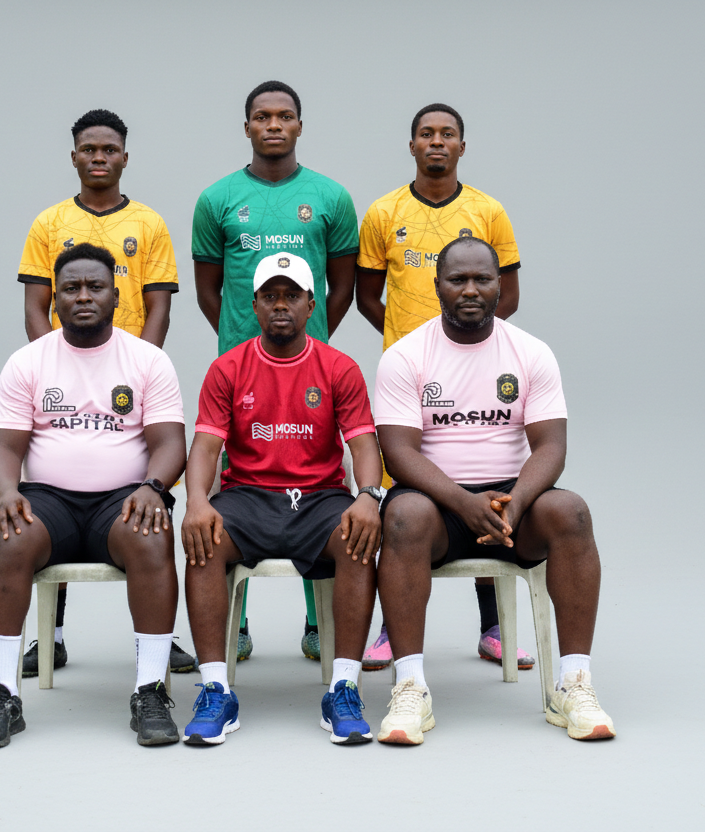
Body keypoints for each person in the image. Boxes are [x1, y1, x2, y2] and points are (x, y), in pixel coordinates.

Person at [372, 236, 615, 744]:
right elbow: (398, 454)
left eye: (482, 279)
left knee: (571, 512)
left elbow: (551, 447)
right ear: (437, 285)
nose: (470, 290)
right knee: (402, 517)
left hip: (511, 500)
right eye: (457, 279)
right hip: (438, 503)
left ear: (500, 286)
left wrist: (516, 502)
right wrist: (463, 503)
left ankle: (573, 683)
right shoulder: (405, 355)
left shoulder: (531, 352)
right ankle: (410, 687)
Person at [0, 243, 187, 749]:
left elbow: (170, 443)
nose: (83, 296)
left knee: (152, 533)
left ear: (116, 296)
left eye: (95, 287)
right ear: (55, 299)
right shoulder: (27, 362)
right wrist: (6, 491)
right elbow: (3, 447)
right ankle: (3, 693)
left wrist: (154, 487)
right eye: (70, 288)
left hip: (124, 499)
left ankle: (150, 691)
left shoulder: (148, 360)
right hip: (49, 502)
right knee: (7, 535)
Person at [14, 108, 193, 675]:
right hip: (66, 375)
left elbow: (159, 305)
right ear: (73, 157)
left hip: (129, 383)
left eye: (109, 149)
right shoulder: (48, 223)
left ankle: (159, 640)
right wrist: (60, 366)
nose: (99, 157)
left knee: (143, 506)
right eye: (88, 149)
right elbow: (35, 307)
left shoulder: (149, 223)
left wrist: (140, 367)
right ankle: (52, 636)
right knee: (56, 493)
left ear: (124, 157)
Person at [180, 252, 384, 745]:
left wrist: (368, 496)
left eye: (291, 295)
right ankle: (216, 690)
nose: (280, 305)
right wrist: (196, 501)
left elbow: (363, 445)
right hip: (248, 496)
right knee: (204, 540)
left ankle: (343, 688)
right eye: (269, 296)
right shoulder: (228, 368)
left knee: (358, 537)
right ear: (253, 305)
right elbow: (205, 447)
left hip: (319, 498)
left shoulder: (339, 367)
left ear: (311, 305)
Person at [355, 103, 531, 672]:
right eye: (426, 134)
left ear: (462, 145)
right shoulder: (384, 212)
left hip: (477, 371)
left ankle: (493, 627)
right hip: (411, 380)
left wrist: (469, 345)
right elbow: (366, 296)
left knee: (488, 487)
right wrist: (412, 347)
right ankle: (392, 628)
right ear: (411, 145)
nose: (437, 142)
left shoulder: (488, 211)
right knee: (401, 502)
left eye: (447, 134)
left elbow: (508, 294)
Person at [191, 81, 359, 662]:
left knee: (316, 483)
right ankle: (233, 626)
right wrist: (242, 337)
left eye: (284, 116)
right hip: (240, 370)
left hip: (309, 369)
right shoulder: (216, 199)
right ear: (246, 127)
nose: (273, 125)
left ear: (299, 126)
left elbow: (342, 286)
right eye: (261, 117)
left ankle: (317, 623)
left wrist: (311, 335)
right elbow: (209, 291)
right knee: (235, 486)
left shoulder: (331, 197)